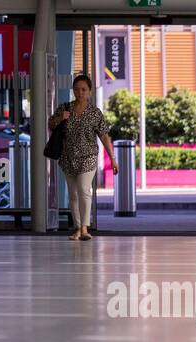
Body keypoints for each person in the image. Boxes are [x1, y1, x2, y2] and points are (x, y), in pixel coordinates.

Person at [47, 73, 117, 242]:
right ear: (73, 91)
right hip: (68, 158)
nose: (80, 93)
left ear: (90, 92)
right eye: (77, 89)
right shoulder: (65, 109)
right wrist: (59, 118)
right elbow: (50, 125)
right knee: (73, 194)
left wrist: (113, 158)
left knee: (84, 189)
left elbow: (104, 136)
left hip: (88, 157)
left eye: (84, 89)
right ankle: (78, 228)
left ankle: (85, 227)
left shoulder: (95, 113)